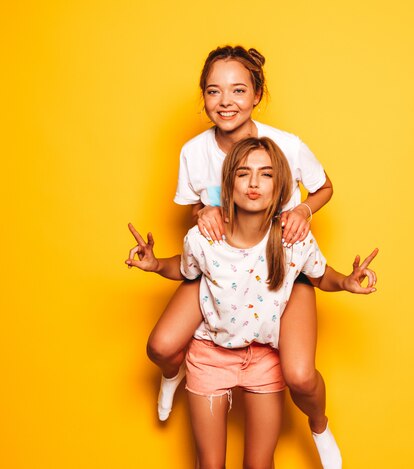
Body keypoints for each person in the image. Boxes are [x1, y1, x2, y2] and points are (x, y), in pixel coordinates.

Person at [127, 137, 378, 469]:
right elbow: (186, 270)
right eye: (244, 174)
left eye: (266, 174)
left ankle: (319, 426)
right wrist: (156, 264)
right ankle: (174, 375)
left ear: (280, 187)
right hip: (210, 358)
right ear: (228, 186)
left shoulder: (293, 238)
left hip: (264, 360)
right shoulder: (203, 238)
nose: (255, 183)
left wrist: (345, 282)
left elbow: (318, 276)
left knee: (259, 465)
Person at [146, 45, 342, 467]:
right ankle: (173, 375)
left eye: (238, 90)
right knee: (162, 345)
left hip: (279, 264)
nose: (226, 102)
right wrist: (205, 212)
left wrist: (303, 209)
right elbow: (191, 214)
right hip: (223, 265)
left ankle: (320, 425)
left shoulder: (286, 146)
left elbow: (325, 187)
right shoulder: (193, 152)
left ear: (257, 94)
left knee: (300, 374)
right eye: (214, 92)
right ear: (203, 97)